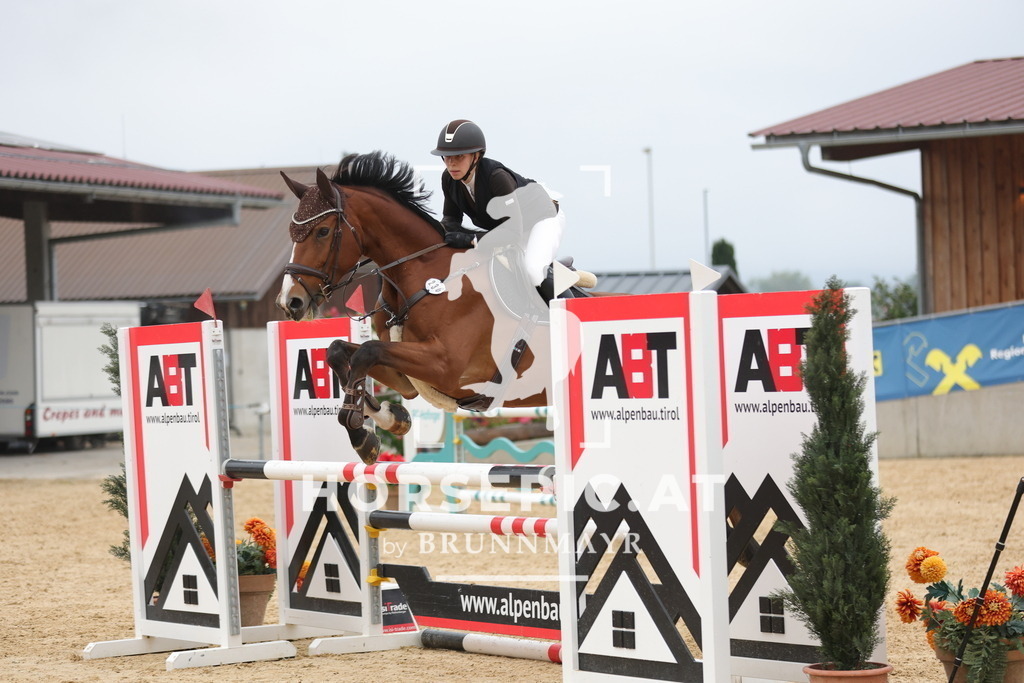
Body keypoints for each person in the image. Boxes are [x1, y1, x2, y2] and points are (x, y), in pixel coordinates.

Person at [430, 119, 564, 300]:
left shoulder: (496, 178)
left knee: (533, 269)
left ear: (476, 156)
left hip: (542, 217)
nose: (451, 163)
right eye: (447, 157)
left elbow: (513, 232)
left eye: (459, 156)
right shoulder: (449, 179)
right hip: (511, 226)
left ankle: (574, 315)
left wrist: (471, 239)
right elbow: (451, 221)